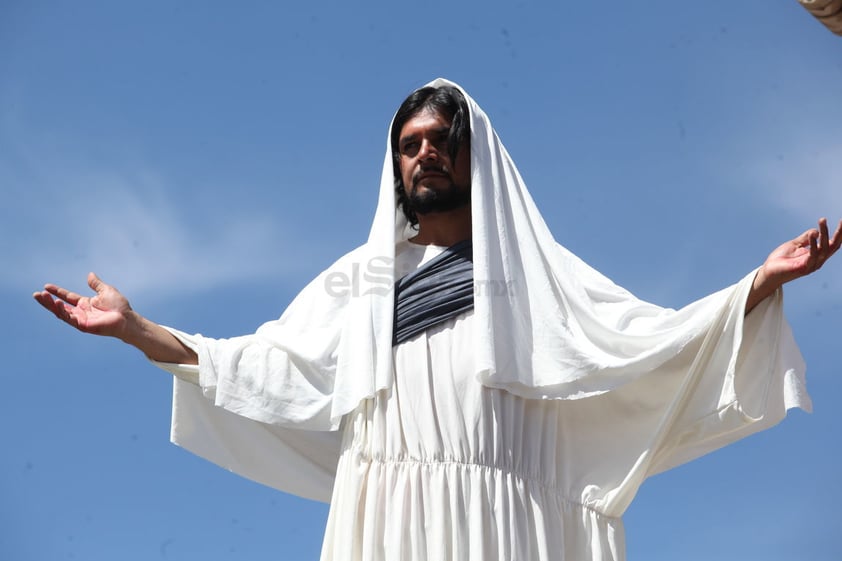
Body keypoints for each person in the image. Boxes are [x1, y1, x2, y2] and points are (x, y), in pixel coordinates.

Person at [34, 79, 840, 561]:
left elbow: (647, 345)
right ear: (394, 162)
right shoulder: (359, 283)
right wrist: (138, 330)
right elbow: (261, 366)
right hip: (387, 517)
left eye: (441, 138)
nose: (426, 151)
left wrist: (757, 284)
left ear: (471, 153)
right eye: (411, 141)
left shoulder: (538, 278)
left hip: (508, 517)